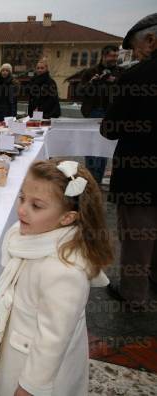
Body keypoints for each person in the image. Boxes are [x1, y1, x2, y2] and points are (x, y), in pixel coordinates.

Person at [0, 159, 113, 396]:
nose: (22, 210)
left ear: (67, 218)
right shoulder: (35, 238)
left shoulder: (64, 271)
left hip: (36, 370)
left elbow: (53, 340)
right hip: (18, 348)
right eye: (22, 199)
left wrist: (30, 387)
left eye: (36, 206)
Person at [100, 13, 157, 304]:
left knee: (137, 233)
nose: (134, 55)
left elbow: (110, 129)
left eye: (135, 48)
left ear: (150, 40)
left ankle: (134, 293)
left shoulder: (137, 76)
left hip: (141, 175)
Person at [80, 45, 123, 184]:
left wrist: (115, 82)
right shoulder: (90, 72)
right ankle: (89, 179)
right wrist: (92, 82)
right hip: (92, 112)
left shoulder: (120, 73)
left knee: (102, 147)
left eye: (116, 56)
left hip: (109, 113)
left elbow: (126, 92)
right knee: (90, 146)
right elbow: (80, 91)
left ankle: (96, 181)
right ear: (104, 56)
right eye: (112, 56)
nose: (114, 59)